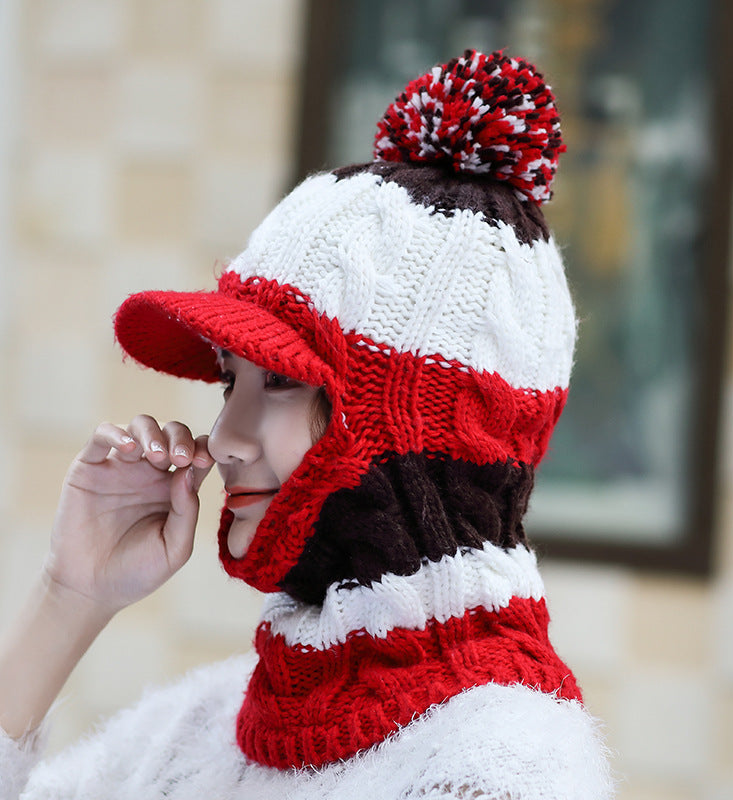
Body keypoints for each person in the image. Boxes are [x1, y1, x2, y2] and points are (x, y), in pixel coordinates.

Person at [0, 50, 614, 798]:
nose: (224, 438)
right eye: (230, 379)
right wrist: (68, 597)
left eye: (283, 381)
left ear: (413, 432)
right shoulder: (200, 730)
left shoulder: (496, 773)